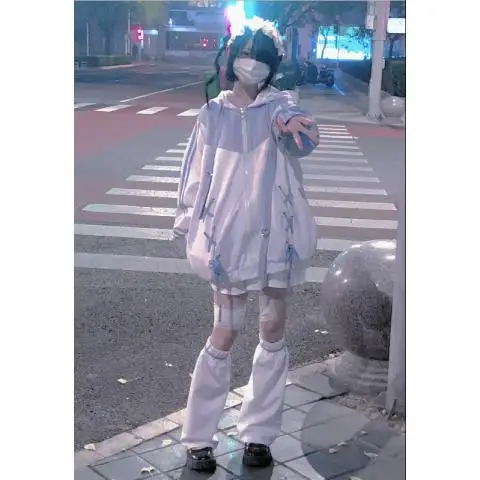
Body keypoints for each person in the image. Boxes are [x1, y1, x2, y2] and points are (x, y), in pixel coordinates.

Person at [173, 19, 319, 473]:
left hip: (277, 236)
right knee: (225, 332)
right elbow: (195, 171)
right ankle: (199, 437)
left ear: (273, 65)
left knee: (272, 329)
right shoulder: (212, 114)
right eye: (246, 54)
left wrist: (296, 129)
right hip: (228, 240)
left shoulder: (281, 108)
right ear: (232, 57)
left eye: (261, 57)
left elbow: (305, 142)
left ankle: (259, 435)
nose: (252, 63)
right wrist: (188, 220)